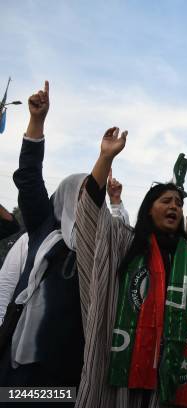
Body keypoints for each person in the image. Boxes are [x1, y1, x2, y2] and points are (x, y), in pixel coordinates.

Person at [75, 127, 187, 408]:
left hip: (178, 373)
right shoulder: (124, 241)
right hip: (121, 377)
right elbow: (91, 216)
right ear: (148, 208)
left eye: (179, 203)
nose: (175, 207)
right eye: (165, 201)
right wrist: (105, 158)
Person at [0, 81, 85, 402]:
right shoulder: (44, 226)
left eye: (90, 196)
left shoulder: (102, 245)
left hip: (68, 364)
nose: (83, 203)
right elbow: (29, 176)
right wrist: (37, 122)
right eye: (78, 194)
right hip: (20, 361)